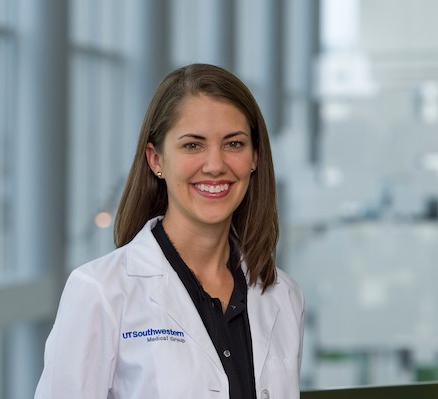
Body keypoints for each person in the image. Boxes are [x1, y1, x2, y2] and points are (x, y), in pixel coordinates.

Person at [34, 63, 304, 399]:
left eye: (234, 144)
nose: (216, 165)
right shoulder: (100, 292)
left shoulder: (284, 295)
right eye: (193, 145)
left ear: (255, 157)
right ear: (156, 159)